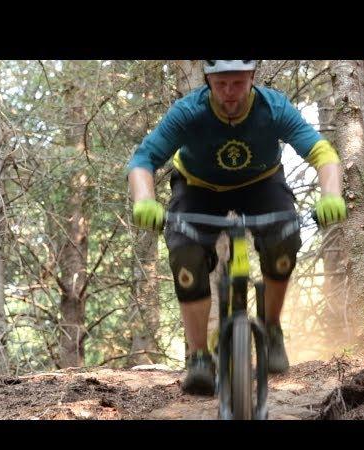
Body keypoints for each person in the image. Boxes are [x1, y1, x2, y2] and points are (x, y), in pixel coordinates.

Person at [126, 60, 346, 395]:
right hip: (198, 188)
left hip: (261, 184)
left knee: (283, 240)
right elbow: (144, 160)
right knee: (185, 255)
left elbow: (321, 152)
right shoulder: (188, 112)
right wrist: (144, 200)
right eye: (221, 84)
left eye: (238, 84)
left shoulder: (273, 108)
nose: (230, 94)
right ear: (208, 81)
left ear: (253, 79)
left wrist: (331, 195)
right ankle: (199, 357)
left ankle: (271, 328)